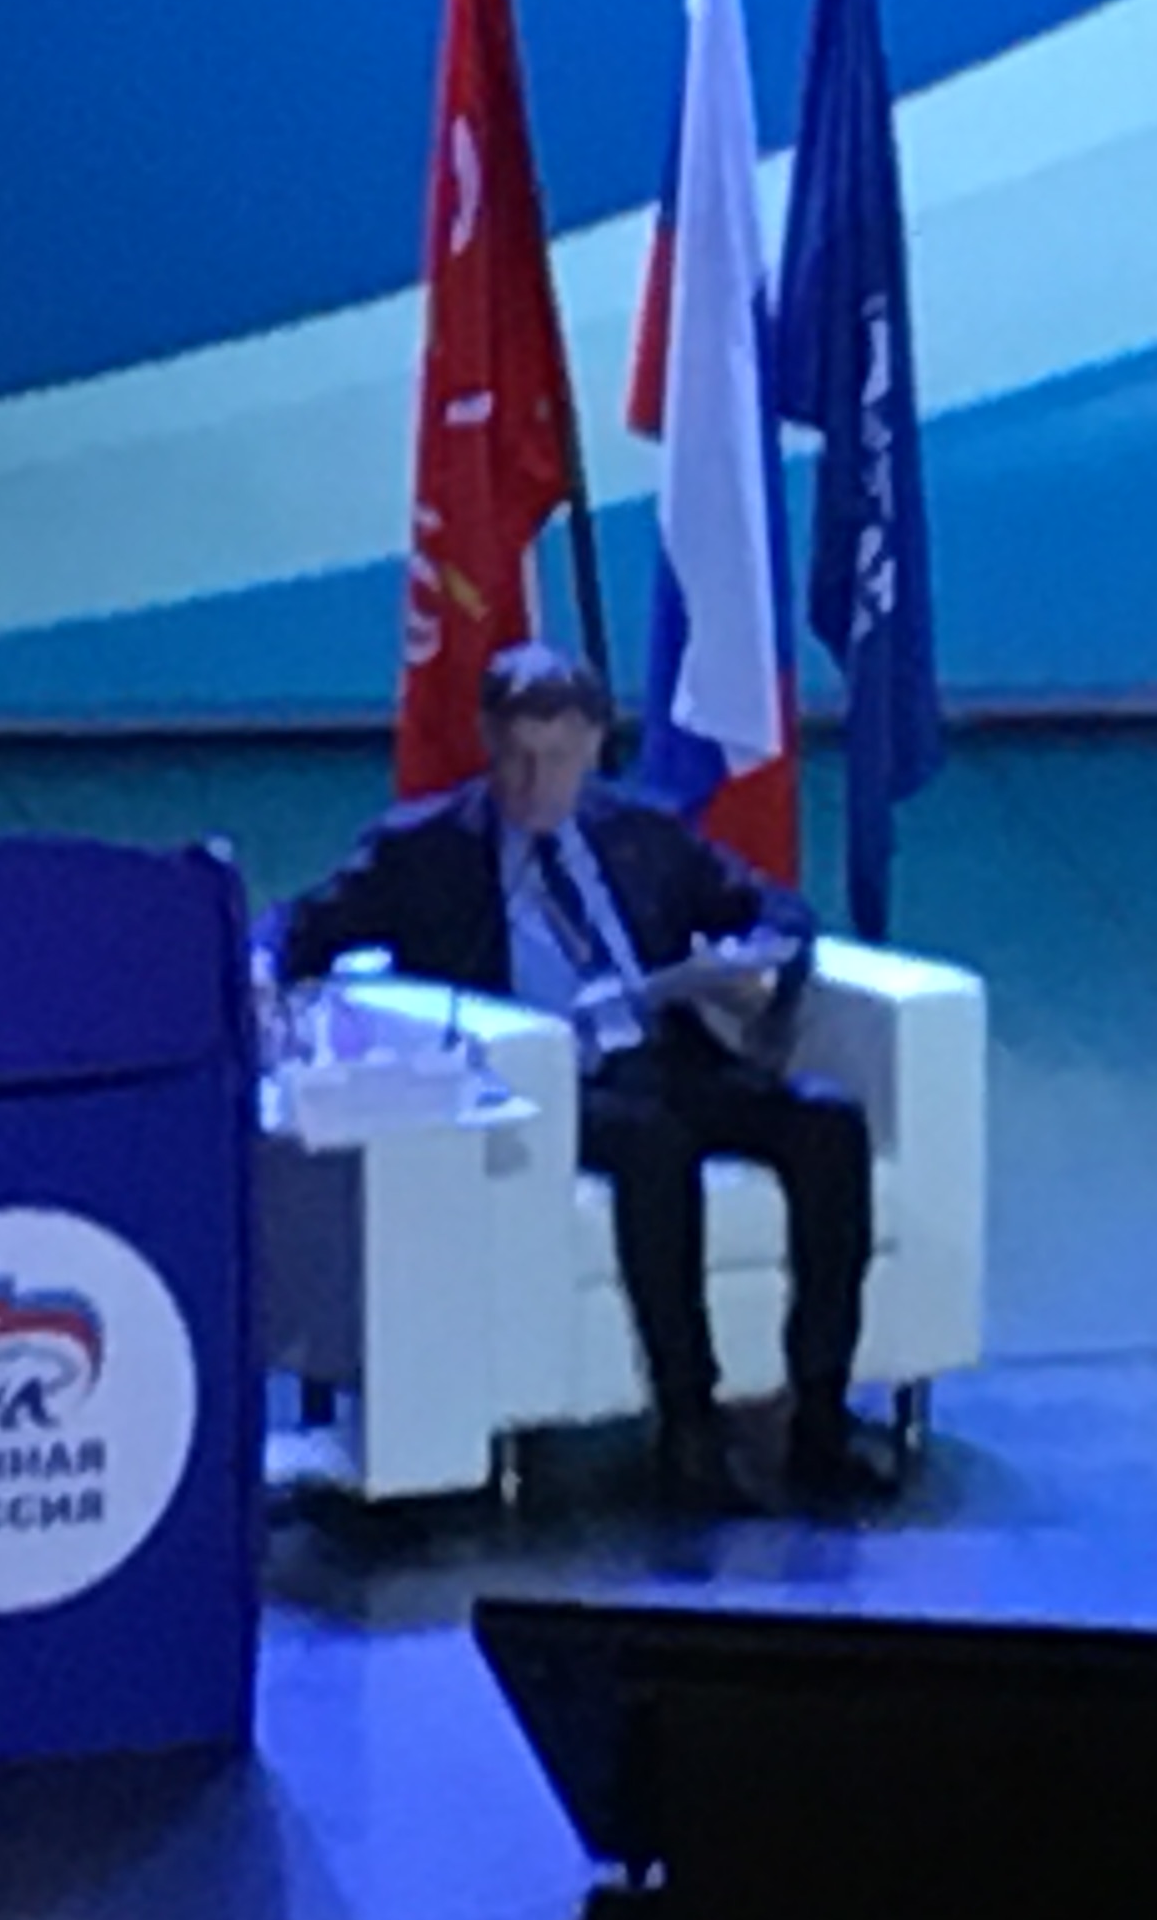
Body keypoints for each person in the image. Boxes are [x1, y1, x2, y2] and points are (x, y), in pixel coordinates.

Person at [274, 643, 886, 1515]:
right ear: (488, 741)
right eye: (518, 758)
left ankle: (820, 1414)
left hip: (666, 1057)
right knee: (652, 1143)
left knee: (828, 1122)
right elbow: (298, 926)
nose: (536, 782)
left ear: (594, 746)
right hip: (548, 1086)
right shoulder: (424, 849)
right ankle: (689, 1422)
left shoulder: (643, 833)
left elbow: (775, 908)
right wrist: (260, 970)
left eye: (558, 758)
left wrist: (752, 962)